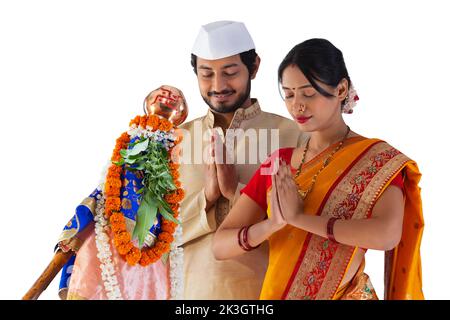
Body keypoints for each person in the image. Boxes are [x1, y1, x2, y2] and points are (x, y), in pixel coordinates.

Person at [213, 38, 424, 300]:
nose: (296, 105)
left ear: (341, 89)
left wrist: (300, 219)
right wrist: (272, 225)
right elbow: (220, 245)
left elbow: (387, 235)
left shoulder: (374, 159)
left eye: (308, 93)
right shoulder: (279, 163)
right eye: (288, 94)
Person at [178, 20, 303, 299]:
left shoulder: (295, 136)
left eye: (230, 73)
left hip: (269, 294)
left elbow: (306, 227)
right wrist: (207, 199)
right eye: (206, 74)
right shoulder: (174, 141)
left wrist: (237, 192)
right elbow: (149, 238)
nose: (218, 85)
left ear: (254, 67)